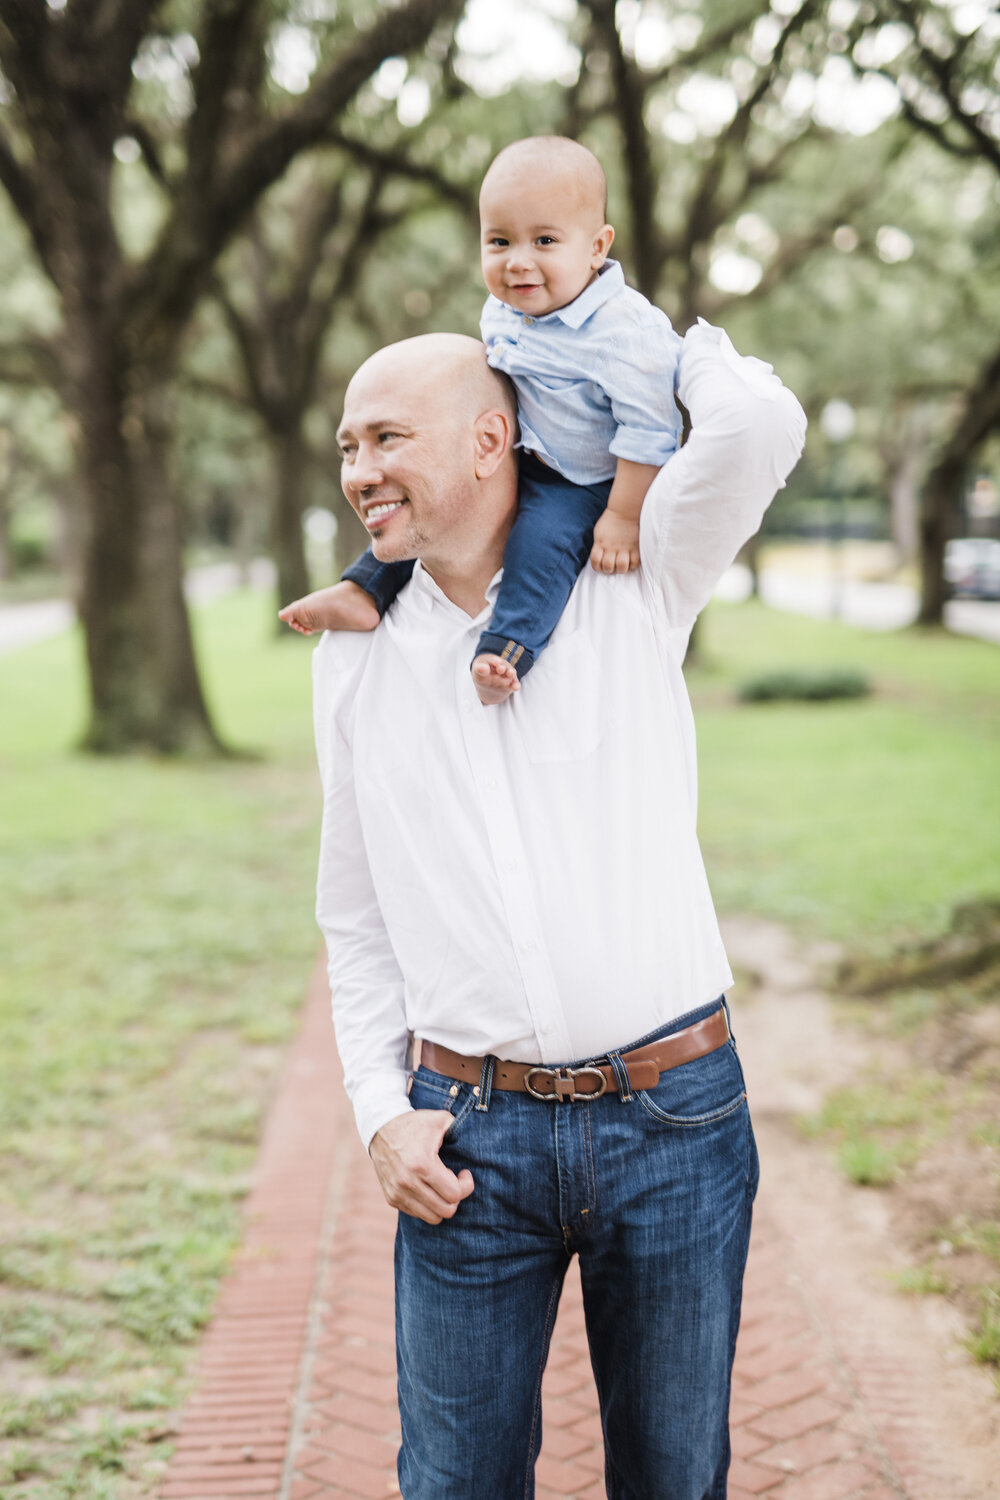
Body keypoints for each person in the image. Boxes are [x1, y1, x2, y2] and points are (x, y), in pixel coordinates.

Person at [313, 327, 806, 1498]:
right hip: (464, 1140)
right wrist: (381, 1110)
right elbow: (357, 911)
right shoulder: (354, 650)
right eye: (345, 446)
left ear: (494, 438)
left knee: (674, 1479)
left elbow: (756, 422)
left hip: (674, 1125)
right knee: (452, 1484)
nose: (358, 470)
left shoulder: (631, 570)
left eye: (388, 437)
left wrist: (598, 332)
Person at [282, 136, 683, 704]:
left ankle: (507, 648)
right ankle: (363, 592)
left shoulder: (625, 334)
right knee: (431, 509)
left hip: (588, 480)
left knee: (540, 542)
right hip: (521, 451)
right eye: (498, 241)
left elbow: (651, 433)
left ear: (597, 247)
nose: (518, 260)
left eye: (544, 240)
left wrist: (622, 515)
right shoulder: (503, 312)